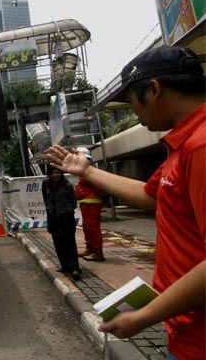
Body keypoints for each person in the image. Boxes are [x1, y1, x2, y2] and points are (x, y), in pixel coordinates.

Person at [46, 46, 204, 360]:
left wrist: (144, 316)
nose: (133, 111)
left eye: (131, 101)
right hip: (187, 332)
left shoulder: (201, 146)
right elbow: (150, 195)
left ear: (155, 90)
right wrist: (87, 171)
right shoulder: (182, 144)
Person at [42, 167, 81, 281]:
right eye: (53, 173)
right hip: (53, 218)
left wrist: (64, 209)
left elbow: (73, 202)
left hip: (66, 217)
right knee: (58, 243)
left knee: (69, 242)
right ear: (49, 174)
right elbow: (45, 199)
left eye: (57, 172)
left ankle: (74, 268)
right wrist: (51, 209)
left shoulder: (67, 186)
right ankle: (65, 266)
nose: (55, 175)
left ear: (61, 173)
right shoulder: (46, 184)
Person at [74, 147, 106, 261]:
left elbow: (98, 187)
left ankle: (98, 252)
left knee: (93, 227)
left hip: (92, 203)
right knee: (87, 227)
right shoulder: (84, 170)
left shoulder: (89, 171)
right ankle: (90, 248)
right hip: (86, 202)